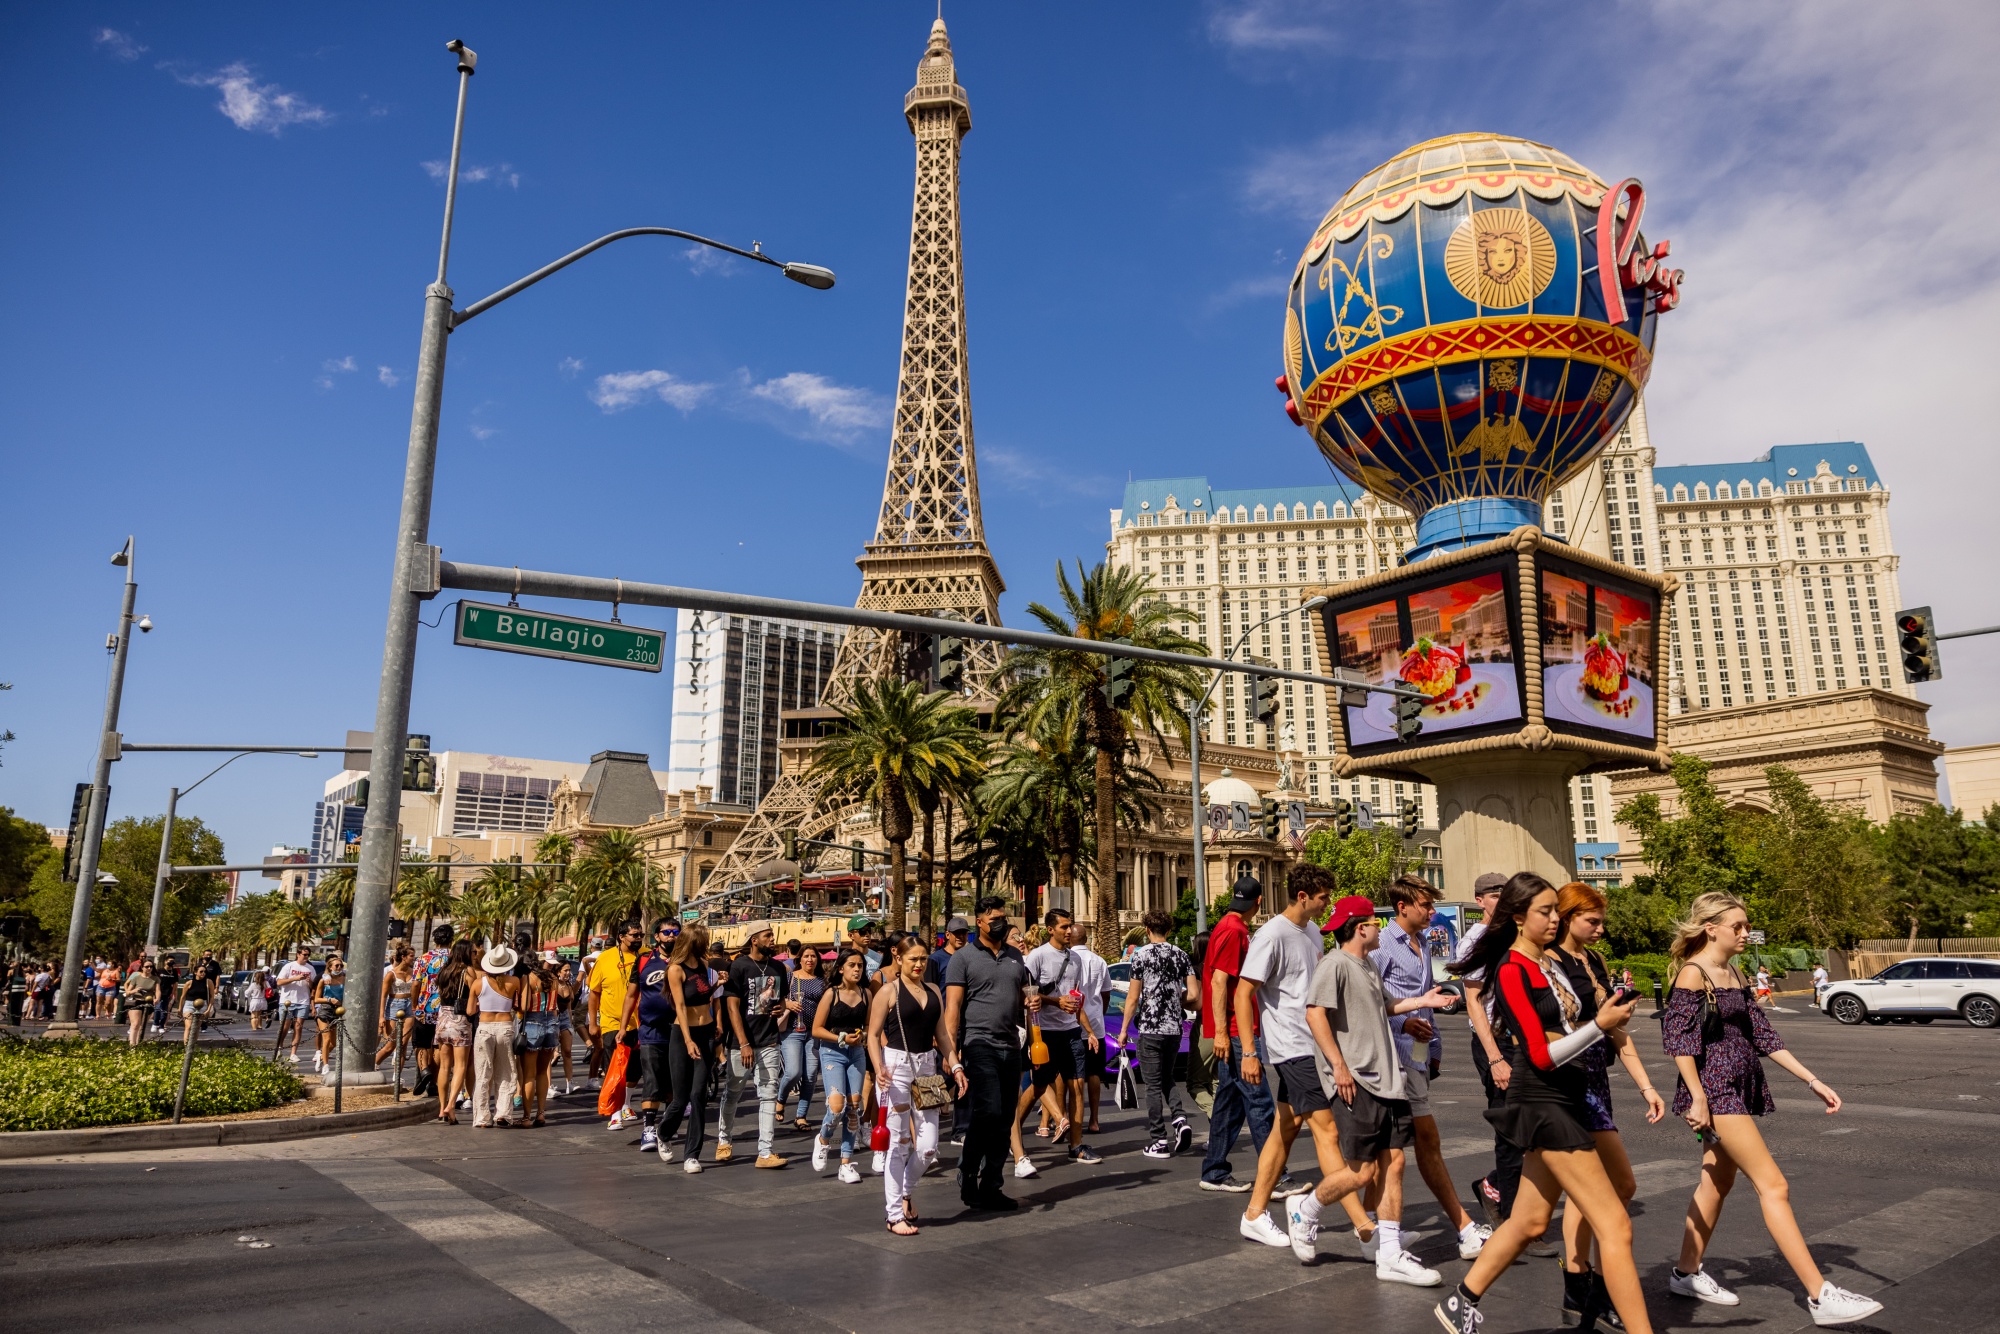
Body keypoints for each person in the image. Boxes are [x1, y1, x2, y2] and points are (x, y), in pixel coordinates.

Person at [1435, 873, 1650, 1334]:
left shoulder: (1547, 963)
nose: (1555, 919)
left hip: (1569, 1095)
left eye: (1557, 910)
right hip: (1543, 1099)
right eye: (1545, 912)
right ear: (1517, 917)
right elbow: (1536, 1054)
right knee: (1615, 1222)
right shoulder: (1512, 969)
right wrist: (1599, 1026)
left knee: (1531, 1221)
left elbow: (1572, 1028)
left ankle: (1461, 1302)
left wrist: (1606, 1017)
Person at [1661, 893, 1881, 1326]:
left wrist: (1812, 1080)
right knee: (1773, 1185)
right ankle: (1820, 1297)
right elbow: (1679, 1042)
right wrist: (1699, 1098)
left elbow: (1763, 1035)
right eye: (1737, 926)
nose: (1746, 933)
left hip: (1738, 1084)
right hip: (1716, 1090)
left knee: (1716, 1181)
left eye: (1747, 926)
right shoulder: (1693, 973)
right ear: (1711, 928)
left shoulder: (1734, 971)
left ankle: (1685, 1273)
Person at [1276, 888, 1456, 1286]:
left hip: (1388, 1079)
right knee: (1360, 1172)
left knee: (1395, 1162)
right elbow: (1314, 1014)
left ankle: (1389, 1254)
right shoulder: (1334, 965)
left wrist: (1418, 1005)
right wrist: (1338, 1066)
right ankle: (1304, 1209)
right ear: (1361, 929)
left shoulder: (1368, 966)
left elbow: (1385, 1006)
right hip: (1357, 1079)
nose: (1379, 926)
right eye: (1375, 921)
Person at [1550, 882, 1668, 1329]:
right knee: (1620, 1185)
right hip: (1571, 1083)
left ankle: (1581, 1287)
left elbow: (1615, 1031)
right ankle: (1586, 1283)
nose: (1600, 928)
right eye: (1591, 920)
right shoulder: (1551, 963)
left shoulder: (1592, 959)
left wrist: (1645, 1086)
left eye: (1602, 920)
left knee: (1589, 1191)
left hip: (1598, 1076)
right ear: (1566, 916)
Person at [1235, 867, 1370, 1249]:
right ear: (1302, 895)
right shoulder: (1272, 935)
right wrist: (1249, 1051)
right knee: (1327, 1130)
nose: (1328, 903)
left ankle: (1255, 1214)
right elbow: (1243, 993)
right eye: (1323, 896)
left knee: (1286, 1128)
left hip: (1315, 1043)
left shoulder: (1312, 932)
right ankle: (1363, 1226)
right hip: (1291, 1047)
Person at [1370, 876, 1491, 1261]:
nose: (1431, 912)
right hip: (1392, 1060)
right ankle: (1464, 1228)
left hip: (1417, 1058)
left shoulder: (1421, 942)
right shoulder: (1381, 946)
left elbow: (1426, 1000)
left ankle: (1372, 1227)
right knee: (1423, 1144)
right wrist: (1402, 1024)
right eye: (1425, 905)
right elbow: (1366, 1005)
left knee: (1384, 1154)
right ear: (1402, 906)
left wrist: (1434, 1045)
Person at [1456, 870, 1551, 1252]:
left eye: (1505, 894)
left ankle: (1495, 1185)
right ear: (1480, 900)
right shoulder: (1477, 940)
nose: (1501, 900)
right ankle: (1514, 1223)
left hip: (1524, 1043)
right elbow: (1474, 1000)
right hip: (1495, 1044)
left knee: (1538, 1130)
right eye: (1494, 895)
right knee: (1513, 1132)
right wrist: (1495, 1058)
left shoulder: (1515, 935)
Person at [1200, 874, 1300, 1198]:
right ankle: (1277, 1177)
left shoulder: (1227, 927)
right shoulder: (1235, 931)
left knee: (1229, 1106)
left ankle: (1214, 1171)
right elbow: (1219, 983)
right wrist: (1222, 1035)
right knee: (1260, 1104)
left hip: (1231, 1030)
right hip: (1236, 1032)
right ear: (1259, 902)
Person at [869, 935, 970, 1236]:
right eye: (913, 958)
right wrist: (878, 1069)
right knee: (898, 1145)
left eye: (923, 958)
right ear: (899, 958)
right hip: (896, 1068)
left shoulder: (935, 991)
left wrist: (956, 1065)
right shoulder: (888, 991)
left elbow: (942, 1035)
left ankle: (905, 1193)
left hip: (927, 1068)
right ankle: (893, 1215)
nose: (919, 964)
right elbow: (873, 1036)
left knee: (927, 1147)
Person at [944, 896, 1033, 1211]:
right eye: (994, 918)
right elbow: (952, 1008)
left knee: (1006, 1115)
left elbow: (1022, 995)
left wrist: (1030, 1004)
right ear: (978, 922)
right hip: (978, 1043)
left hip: (1012, 1044)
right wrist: (950, 1052)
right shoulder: (963, 958)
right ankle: (968, 1171)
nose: (1000, 922)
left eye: (1003, 917)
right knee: (989, 1110)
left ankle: (992, 1184)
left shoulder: (1014, 957)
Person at [1015, 908, 1100, 1173]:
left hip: (1071, 1032)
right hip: (1044, 1033)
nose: (1068, 931)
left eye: (1070, 926)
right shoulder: (1037, 957)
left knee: (1077, 1086)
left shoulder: (1075, 959)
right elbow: (1027, 992)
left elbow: (1075, 998)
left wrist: (1088, 1030)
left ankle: (1077, 1146)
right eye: (1063, 926)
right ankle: (1011, 1134)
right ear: (1050, 929)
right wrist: (1054, 1001)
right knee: (1038, 1086)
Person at [1119, 908, 1196, 1158]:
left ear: (1147, 930)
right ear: (1170, 930)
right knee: (1168, 1078)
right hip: (1174, 1028)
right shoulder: (1181, 955)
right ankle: (1180, 1119)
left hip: (1150, 1028)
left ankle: (1158, 1140)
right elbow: (1193, 995)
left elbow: (1132, 998)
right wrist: (1175, 999)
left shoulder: (1140, 956)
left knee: (1152, 1085)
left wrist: (1123, 1031)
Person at [716, 925, 790, 1169]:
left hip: (769, 1040)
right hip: (741, 1043)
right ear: (754, 939)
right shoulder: (739, 966)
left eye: (772, 935)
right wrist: (744, 1042)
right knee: (734, 1093)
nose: (772, 939)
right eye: (767, 936)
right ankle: (724, 1140)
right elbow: (732, 1008)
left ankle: (765, 1152)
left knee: (769, 1093)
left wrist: (781, 1007)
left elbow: (780, 999)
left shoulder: (778, 967)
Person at [654, 924, 719, 1172]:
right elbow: (680, 1007)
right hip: (683, 1036)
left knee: (698, 1096)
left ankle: (692, 1155)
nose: (706, 943)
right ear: (694, 941)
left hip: (706, 1033)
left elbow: (703, 997)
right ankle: (664, 1132)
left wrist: (715, 986)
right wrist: (688, 1040)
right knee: (680, 1099)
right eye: (703, 939)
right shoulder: (675, 969)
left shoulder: (703, 965)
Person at [812, 948, 874, 1183]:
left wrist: (864, 1036)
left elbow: (868, 1025)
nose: (857, 969)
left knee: (854, 1109)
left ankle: (846, 1163)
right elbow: (816, 1029)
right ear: (841, 969)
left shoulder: (866, 994)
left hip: (856, 1053)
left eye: (860, 965)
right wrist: (841, 1038)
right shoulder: (831, 994)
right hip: (832, 1053)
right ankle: (824, 1139)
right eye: (852, 965)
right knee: (837, 1107)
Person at [622, 920, 682, 1153]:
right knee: (652, 1080)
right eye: (666, 932)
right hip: (649, 1030)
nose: (671, 936)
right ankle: (648, 1128)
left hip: (677, 1030)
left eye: (675, 932)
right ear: (657, 936)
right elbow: (630, 996)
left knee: (672, 1081)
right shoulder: (644, 960)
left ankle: (667, 1123)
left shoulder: (684, 960)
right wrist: (623, 1025)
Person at [588, 922, 643, 1127]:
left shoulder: (646, 955)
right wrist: (593, 1023)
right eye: (634, 935)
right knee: (616, 1067)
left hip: (640, 1022)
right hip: (612, 1022)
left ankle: (626, 1103)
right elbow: (594, 993)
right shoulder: (605, 958)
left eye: (640, 935)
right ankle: (616, 1113)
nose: (638, 939)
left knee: (635, 1069)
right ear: (621, 936)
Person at [468, 943, 522, 1128]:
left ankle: (482, 1118)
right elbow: (519, 1006)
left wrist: (480, 1005)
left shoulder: (478, 983)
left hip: (484, 1027)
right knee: (506, 1072)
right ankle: (503, 1114)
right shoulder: (514, 981)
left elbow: (469, 1011)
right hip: (505, 1027)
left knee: (483, 1074)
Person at [781, 943, 826, 1131]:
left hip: (813, 1033)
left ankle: (801, 1115)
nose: (810, 959)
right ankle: (780, 1098)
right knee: (793, 1072)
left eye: (813, 956)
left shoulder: (822, 980)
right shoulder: (790, 977)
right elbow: (775, 997)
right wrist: (788, 1004)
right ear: (799, 959)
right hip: (792, 1031)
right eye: (806, 956)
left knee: (810, 1076)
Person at [431, 940, 478, 1123]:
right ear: (466, 953)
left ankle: (442, 1108)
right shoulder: (467, 971)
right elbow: (476, 993)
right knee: (460, 1065)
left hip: (442, 1019)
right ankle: (451, 1105)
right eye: (473, 952)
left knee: (444, 1066)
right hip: (460, 1021)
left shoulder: (444, 971)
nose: (475, 955)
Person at [516, 950, 560, 1127]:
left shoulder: (529, 979)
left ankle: (526, 1117)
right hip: (552, 1022)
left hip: (533, 1022)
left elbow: (525, 1006)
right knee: (543, 1072)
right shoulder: (553, 978)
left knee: (529, 1075)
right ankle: (540, 1113)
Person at [410, 925, 455, 1098]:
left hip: (424, 1008)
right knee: (438, 1045)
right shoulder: (453, 959)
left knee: (420, 1043)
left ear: (434, 940)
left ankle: (424, 1070)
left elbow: (415, 984)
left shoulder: (422, 959)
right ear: (450, 940)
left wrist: (415, 1005)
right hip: (445, 1009)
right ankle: (433, 1082)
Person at [274, 947, 316, 1066]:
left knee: (298, 1027)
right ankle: (279, 1047)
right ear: (298, 954)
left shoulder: (310, 968)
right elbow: (279, 982)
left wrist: (309, 981)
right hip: (287, 1001)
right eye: (304, 954)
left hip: (303, 1001)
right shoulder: (289, 966)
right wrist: (294, 978)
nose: (306, 957)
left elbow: (313, 986)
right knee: (285, 1027)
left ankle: (293, 1053)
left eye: (308, 955)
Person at [377, 946, 416, 1066]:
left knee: (403, 1044)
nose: (413, 958)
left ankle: (397, 1077)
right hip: (394, 1005)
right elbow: (383, 995)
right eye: (411, 956)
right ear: (403, 957)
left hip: (409, 1004)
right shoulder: (391, 974)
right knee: (390, 1045)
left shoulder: (414, 972)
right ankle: (374, 1065)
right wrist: (381, 1016)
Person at [311, 957, 347, 1073]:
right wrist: (329, 999)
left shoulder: (344, 978)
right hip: (325, 1010)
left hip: (338, 1011)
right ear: (330, 967)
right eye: (336, 966)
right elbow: (316, 999)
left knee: (334, 1042)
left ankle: (322, 1057)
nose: (339, 968)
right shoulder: (324, 980)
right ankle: (326, 1065)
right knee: (326, 1039)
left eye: (340, 965)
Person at [553, 960, 580, 1094]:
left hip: (564, 1018)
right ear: (558, 972)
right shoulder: (553, 984)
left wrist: (570, 1023)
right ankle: (548, 1085)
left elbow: (569, 1006)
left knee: (567, 1051)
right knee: (551, 1053)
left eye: (569, 970)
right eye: (566, 970)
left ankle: (570, 1082)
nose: (569, 973)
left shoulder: (568, 985)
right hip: (553, 1017)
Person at [121, 962, 159, 1045]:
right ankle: (132, 1045)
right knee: (135, 1024)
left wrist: (157, 999)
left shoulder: (155, 979)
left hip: (148, 1002)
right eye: (147, 967)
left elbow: (158, 990)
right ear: (142, 967)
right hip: (136, 1001)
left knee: (142, 1025)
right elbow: (127, 992)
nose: (149, 968)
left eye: (151, 967)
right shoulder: (136, 977)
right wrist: (134, 990)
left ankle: (138, 1043)